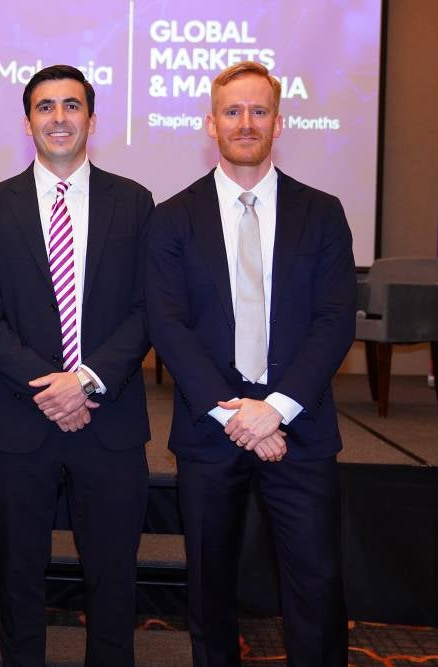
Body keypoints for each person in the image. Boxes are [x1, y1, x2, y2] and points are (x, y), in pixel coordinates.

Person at [146, 61, 356, 666]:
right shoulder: (172, 217)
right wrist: (236, 414)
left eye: (258, 111)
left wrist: (276, 410)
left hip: (301, 428)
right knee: (210, 589)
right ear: (211, 124)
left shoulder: (322, 212)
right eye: (232, 111)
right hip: (211, 430)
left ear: (279, 122)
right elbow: (169, 325)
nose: (246, 123)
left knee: (316, 586)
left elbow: (335, 318)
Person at [0, 64, 153, 667]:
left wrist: (86, 380)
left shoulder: (135, 202)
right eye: (45, 107)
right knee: (19, 581)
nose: (59, 118)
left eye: (71, 106)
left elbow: (150, 308)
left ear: (92, 120)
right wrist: (50, 386)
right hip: (22, 423)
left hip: (111, 418)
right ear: (28, 123)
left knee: (114, 580)